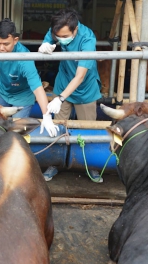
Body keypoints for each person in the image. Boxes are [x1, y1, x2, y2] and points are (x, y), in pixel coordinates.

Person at [38, 9, 103, 183]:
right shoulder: (58, 30)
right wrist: (46, 43)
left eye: (64, 36)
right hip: (63, 81)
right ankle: (54, 163)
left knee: (88, 128)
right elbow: (50, 37)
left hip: (85, 88)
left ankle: (91, 165)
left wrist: (60, 98)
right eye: (57, 36)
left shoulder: (87, 39)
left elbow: (80, 76)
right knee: (57, 126)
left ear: (75, 30)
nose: (61, 39)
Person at [0, 18, 59, 137]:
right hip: (3, 91)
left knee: (16, 132)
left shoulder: (25, 59)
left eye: (6, 44)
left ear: (15, 40)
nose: (1, 48)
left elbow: (38, 88)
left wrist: (46, 116)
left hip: (22, 96)